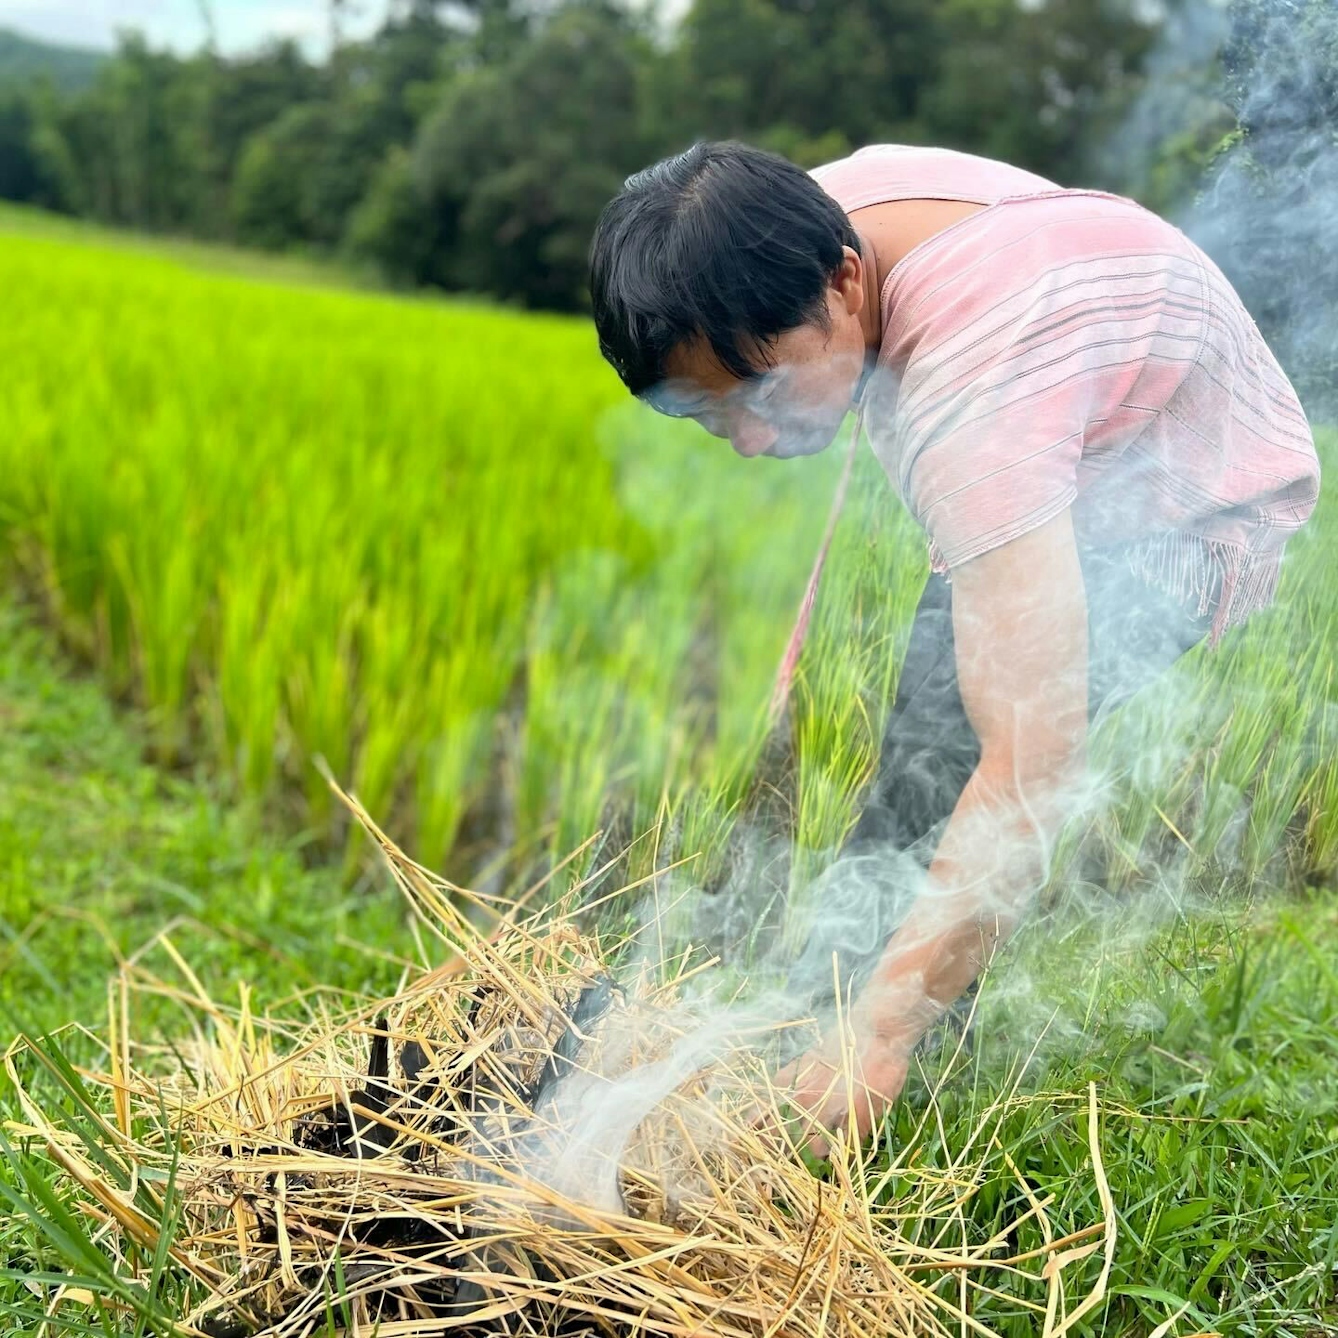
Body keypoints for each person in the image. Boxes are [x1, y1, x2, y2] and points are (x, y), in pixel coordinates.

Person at [587, 140, 1320, 1149]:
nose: (751, 442)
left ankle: (881, 1061)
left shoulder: (979, 405)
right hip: (1086, 360)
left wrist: (879, 1035)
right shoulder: (785, 225)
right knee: (923, 736)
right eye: (712, 420)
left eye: (756, 398)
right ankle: (827, 1019)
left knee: (964, 749)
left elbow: (1033, 770)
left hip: (1188, 491)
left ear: (844, 281)